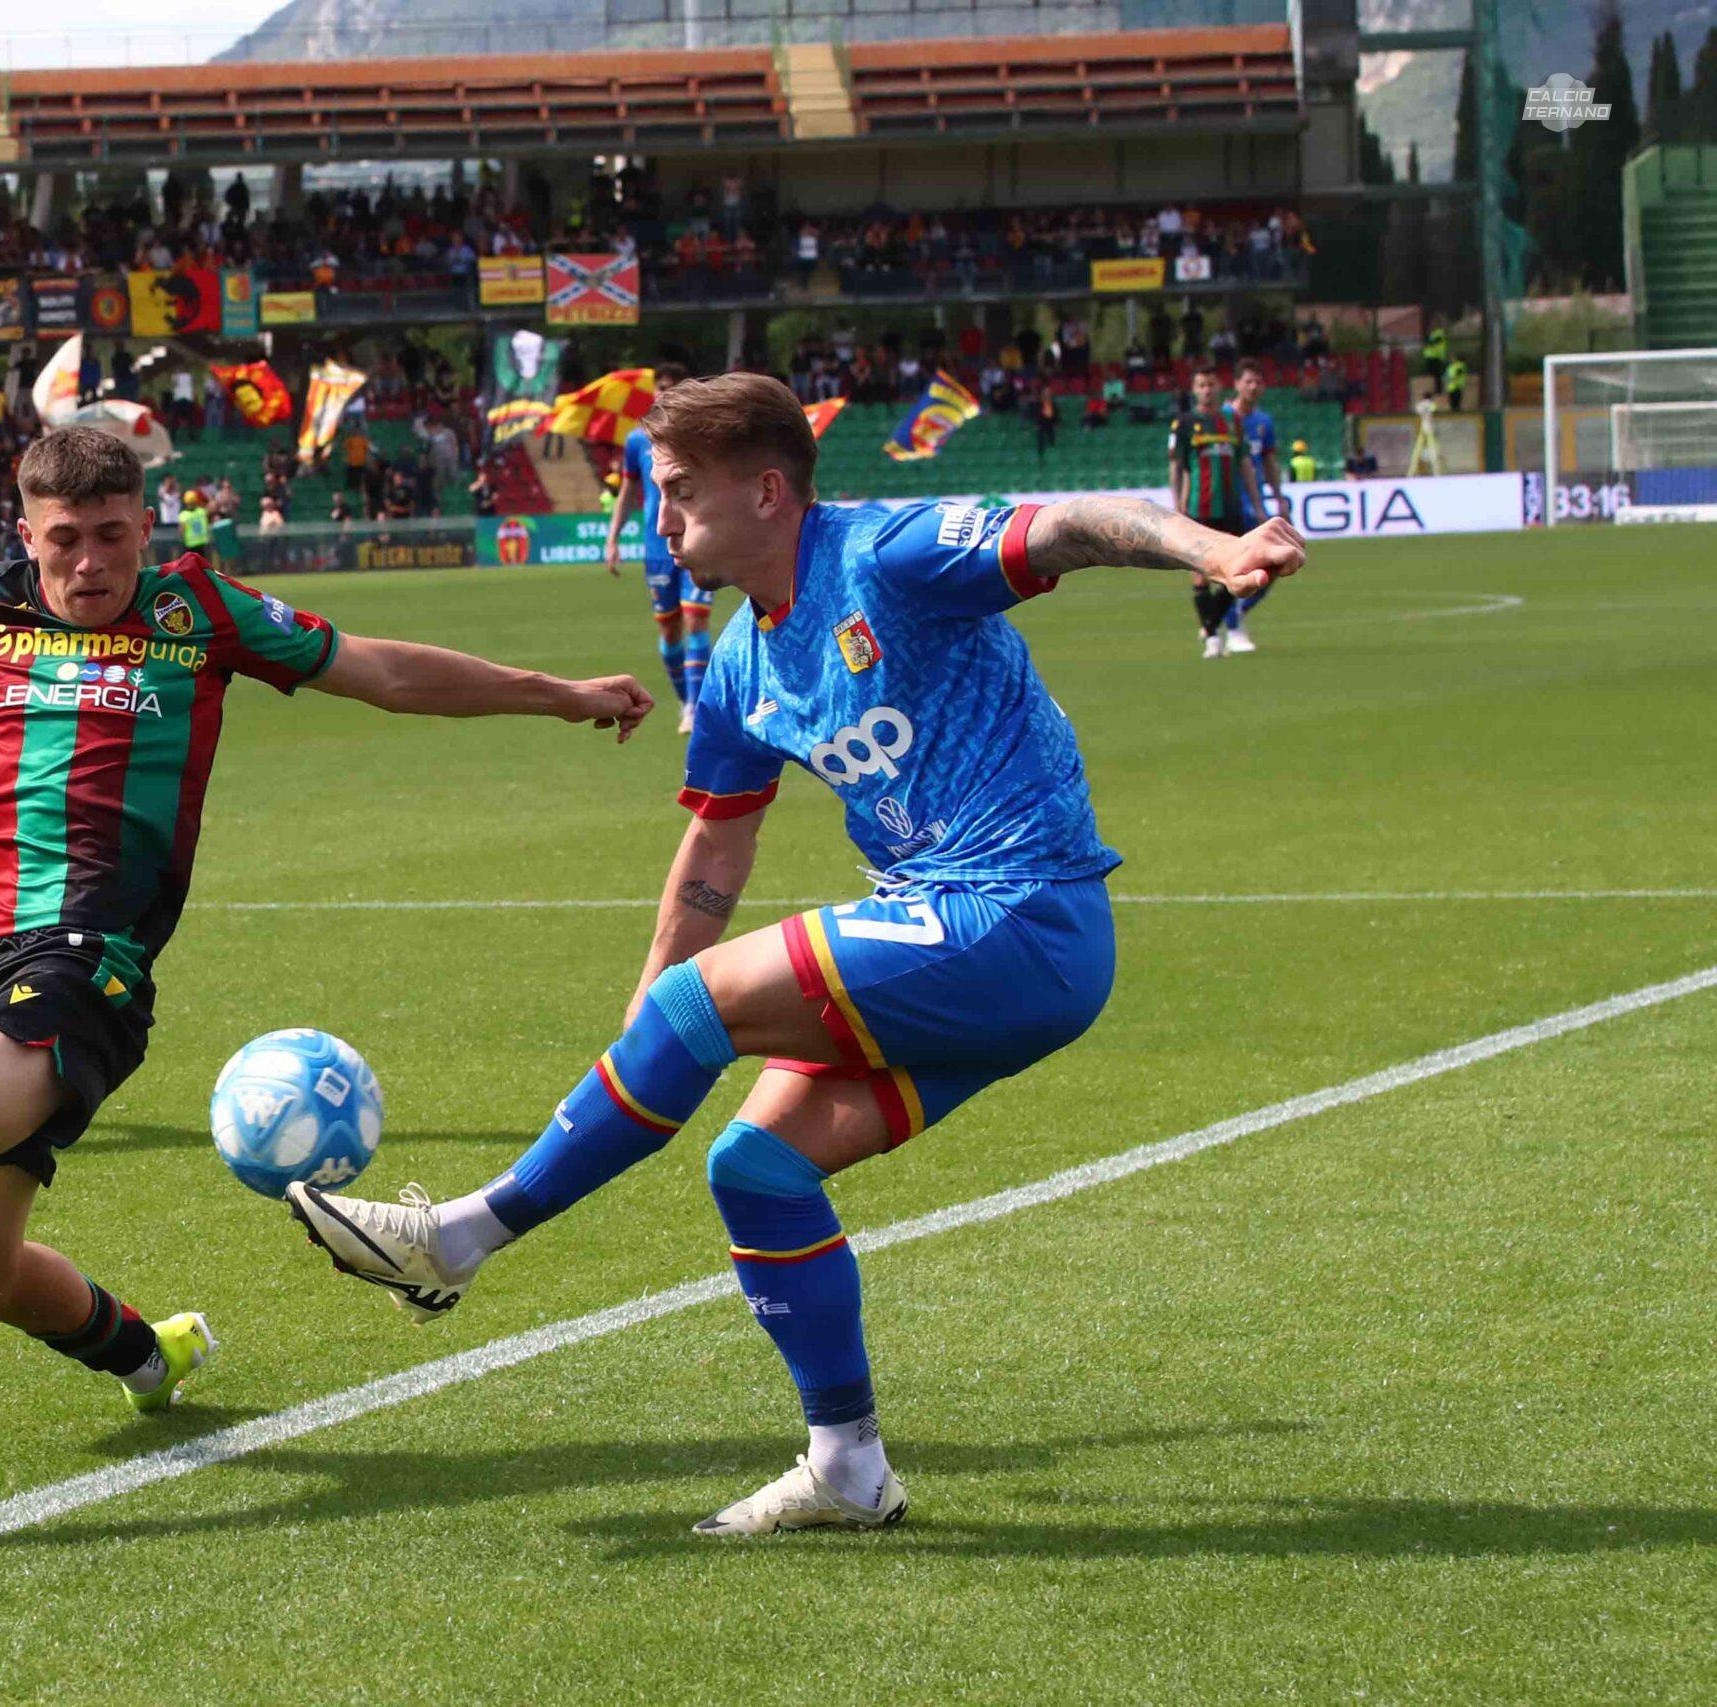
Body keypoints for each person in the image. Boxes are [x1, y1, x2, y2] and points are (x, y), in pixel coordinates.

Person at [0, 390, 653, 1506]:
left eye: (111, 536)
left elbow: (382, 671)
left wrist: (559, 694)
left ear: (144, 526)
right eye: (64, 539)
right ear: (26, 533)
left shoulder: (202, 613)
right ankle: (151, 1353)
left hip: (93, 960)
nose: (90, 562)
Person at [285, 373, 1302, 1536]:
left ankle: (457, 1237)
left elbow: (1071, 522)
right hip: (968, 949)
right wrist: (645, 1021)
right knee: (755, 1170)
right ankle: (847, 1466)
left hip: (1016, 913)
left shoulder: (888, 556)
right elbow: (716, 849)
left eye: (678, 494)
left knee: (701, 1018)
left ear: (767, 491)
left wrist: (1210, 548)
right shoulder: (736, 666)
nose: (661, 523)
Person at [607, 363, 708, 733]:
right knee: (669, 630)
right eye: (660, 387)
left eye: (672, 387)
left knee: (696, 617)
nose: (664, 393)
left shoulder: (700, 437)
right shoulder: (637, 441)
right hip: (657, 547)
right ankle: (685, 700)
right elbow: (628, 490)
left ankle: (697, 708)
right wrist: (613, 537)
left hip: (697, 538)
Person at [1167, 363, 1261, 659]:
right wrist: (1178, 506)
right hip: (1198, 508)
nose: (1207, 390)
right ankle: (1212, 638)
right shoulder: (1183, 424)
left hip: (1231, 508)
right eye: (1201, 385)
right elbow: (1177, 468)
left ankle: (1210, 629)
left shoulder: (1232, 423)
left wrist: (1257, 504)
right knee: (1200, 576)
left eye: (1211, 384)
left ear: (1220, 387)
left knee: (1237, 573)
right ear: (1194, 390)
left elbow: (1245, 464)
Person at [1220, 361, 1285, 654]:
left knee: (1273, 564)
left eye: (1258, 382)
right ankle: (1231, 627)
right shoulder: (1221, 418)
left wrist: (1278, 494)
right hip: (1226, 503)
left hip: (1254, 503)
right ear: (1236, 384)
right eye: (1248, 381)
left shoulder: (1263, 422)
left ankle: (1231, 616)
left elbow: (1268, 461)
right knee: (1232, 566)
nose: (1254, 387)